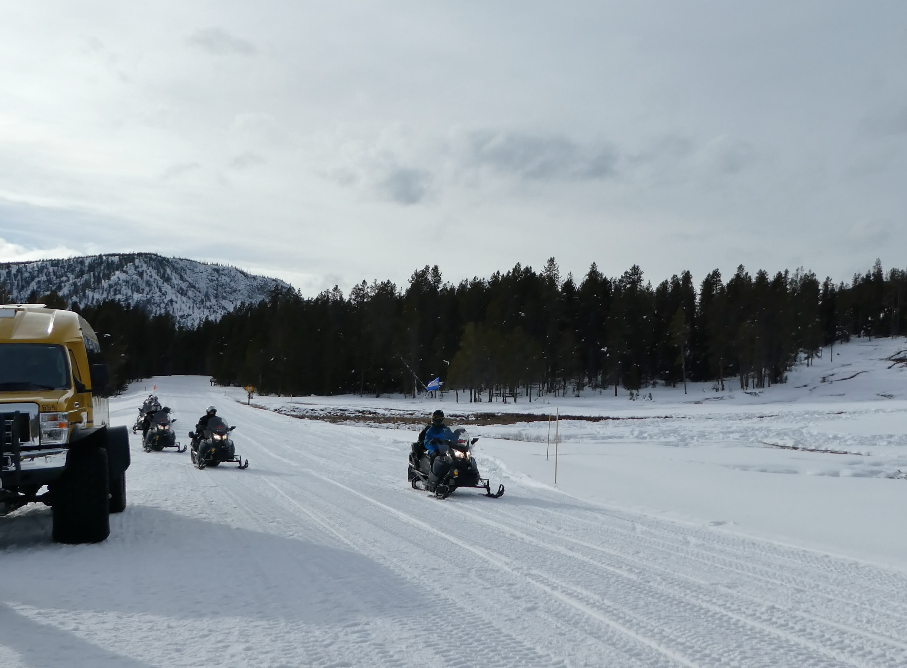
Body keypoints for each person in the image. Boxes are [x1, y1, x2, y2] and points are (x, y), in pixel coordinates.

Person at [422, 410, 456, 490]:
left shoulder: (446, 429)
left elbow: (453, 437)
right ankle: (432, 480)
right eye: (436, 417)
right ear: (433, 418)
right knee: (436, 457)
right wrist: (432, 446)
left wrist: (459, 437)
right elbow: (426, 442)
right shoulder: (430, 430)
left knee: (457, 458)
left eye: (440, 418)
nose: (438, 419)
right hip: (435, 449)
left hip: (446, 450)